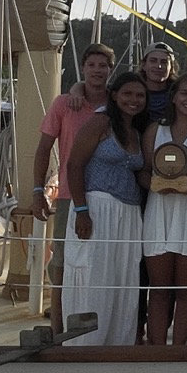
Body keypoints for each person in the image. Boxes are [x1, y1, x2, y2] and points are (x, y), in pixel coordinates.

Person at [32, 43, 114, 332]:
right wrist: (38, 191)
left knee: (102, 263)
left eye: (103, 66)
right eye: (91, 65)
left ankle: (101, 327)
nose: (97, 71)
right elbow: (44, 148)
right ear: (83, 68)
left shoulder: (117, 104)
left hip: (109, 197)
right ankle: (58, 329)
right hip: (69, 195)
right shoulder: (64, 104)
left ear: (111, 70)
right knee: (62, 264)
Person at [62, 72, 148, 346]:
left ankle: (117, 345)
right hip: (97, 207)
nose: (134, 100)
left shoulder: (136, 132)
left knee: (123, 279)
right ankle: (86, 345)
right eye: (128, 94)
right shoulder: (100, 122)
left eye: (140, 95)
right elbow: (74, 165)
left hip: (128, 214)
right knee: (94, 276)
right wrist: (81, 210)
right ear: (114, 95)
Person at [140, 73, 187, 345]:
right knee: (159, 290)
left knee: (186, 290)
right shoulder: (155, 130)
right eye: (185, 93)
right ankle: (157, 349)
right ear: (174, 97)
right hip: (159, 213)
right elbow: (143, 172)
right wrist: (154, 184)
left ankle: (178, 350)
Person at [140, 41, 177, 120]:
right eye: (153, 61)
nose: (159, 66)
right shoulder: (134, 93)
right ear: (144, 65)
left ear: (171, 68)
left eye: (164, 62)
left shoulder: (178, 95)